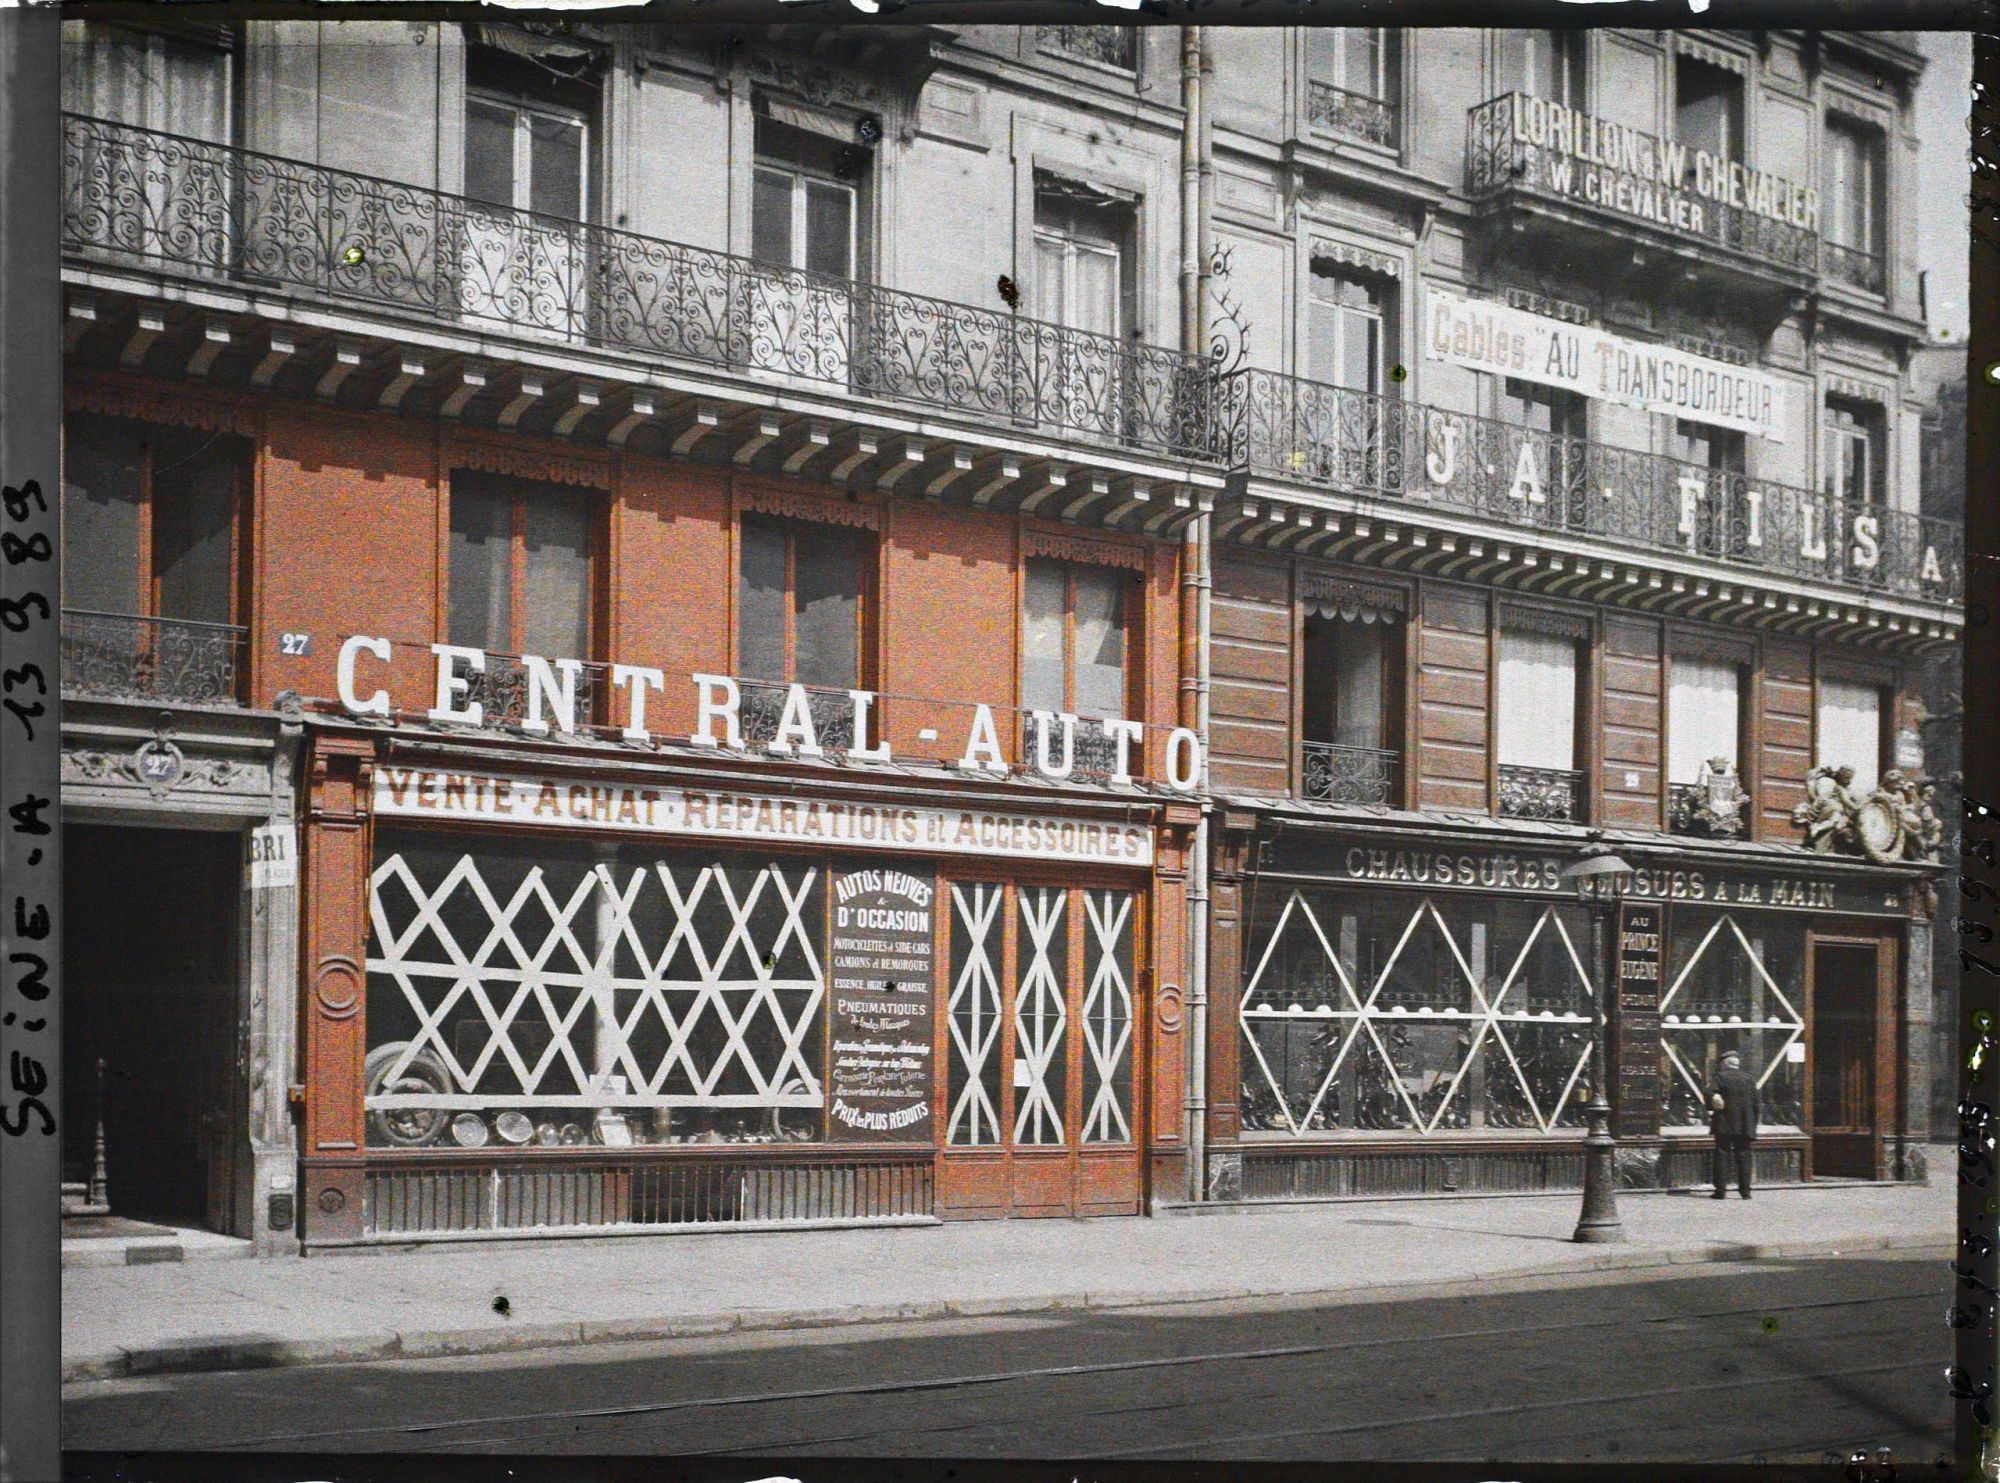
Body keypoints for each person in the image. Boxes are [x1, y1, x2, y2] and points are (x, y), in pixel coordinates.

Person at [1708, 1050, 1759, 1199]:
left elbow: (1709, 1092)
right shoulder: (1749, 1079)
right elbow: (1756, 1104)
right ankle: (1745, 1192)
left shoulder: (1719, 1077)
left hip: (1724, 1124)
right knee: (1744, 1156)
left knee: (1722, 1156)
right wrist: (1752, 1124)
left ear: (1725, 1063)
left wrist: (1713, 1098)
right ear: (1737, 1064)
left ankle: (1720, 1191)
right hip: (1744, 1125)